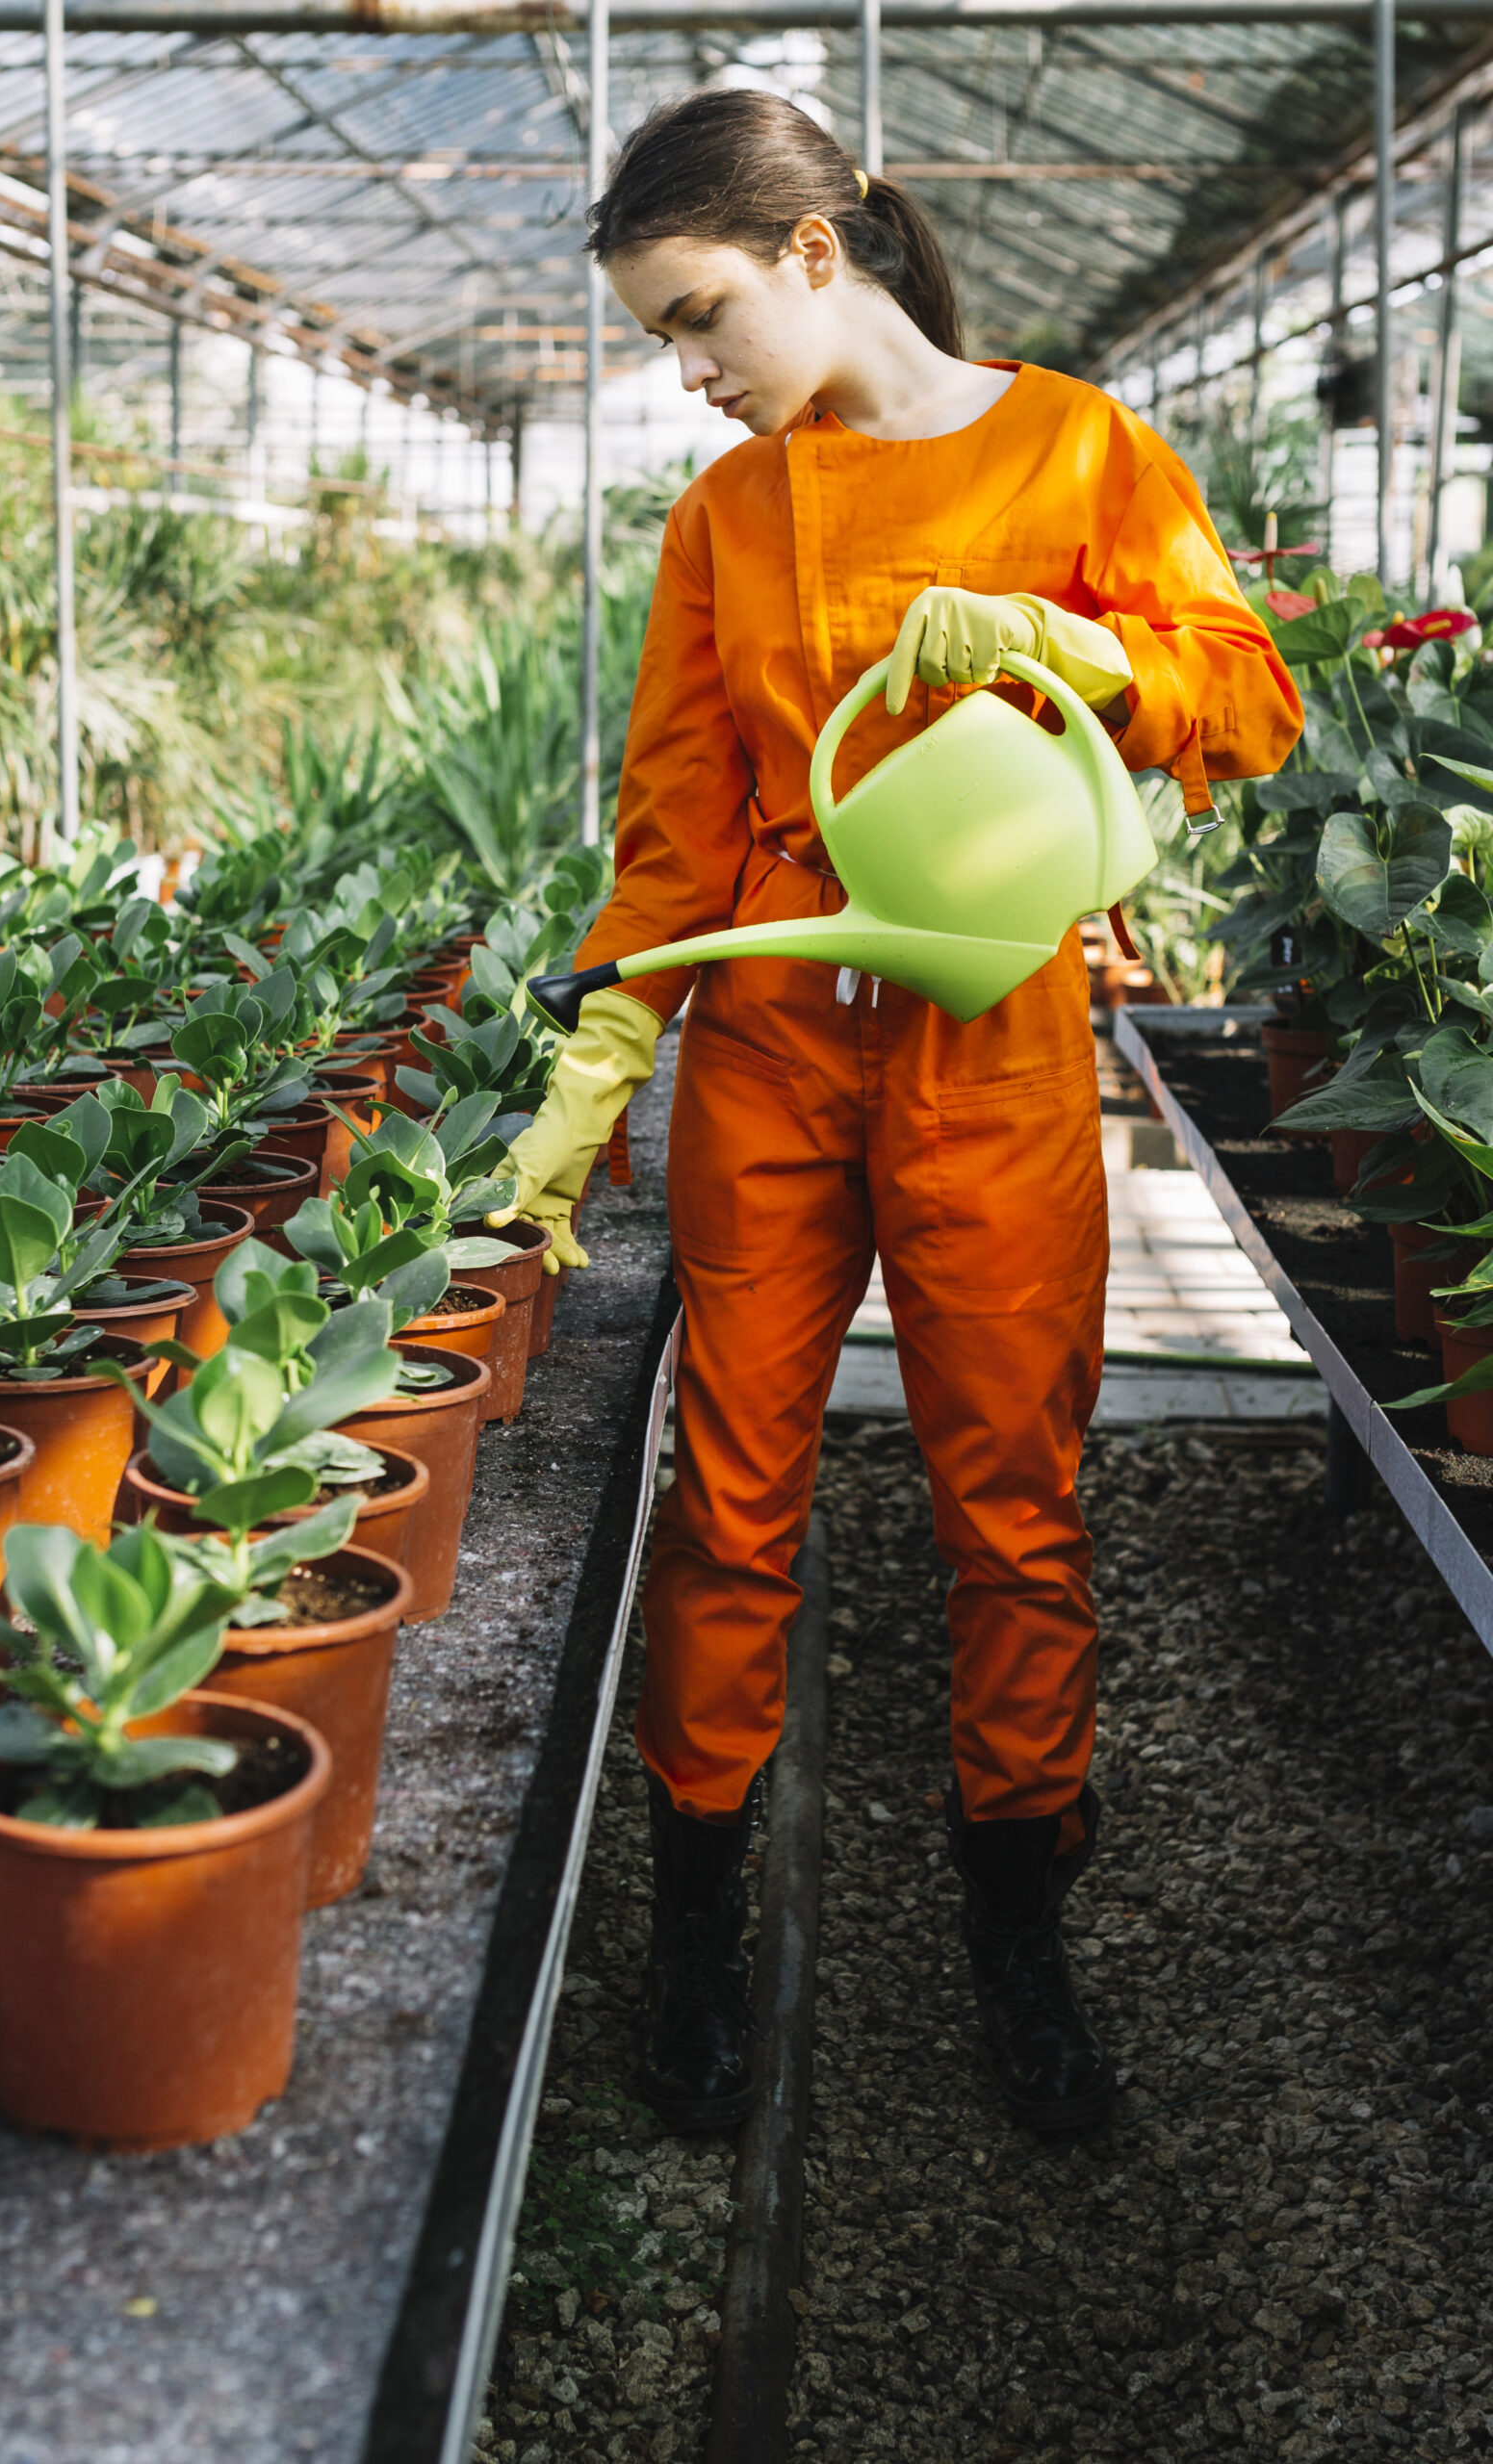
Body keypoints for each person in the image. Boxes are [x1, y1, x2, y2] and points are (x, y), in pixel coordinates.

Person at [492, 89, 1300, 2136]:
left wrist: (1076, 648)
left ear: (809, 253)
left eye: (697, 318)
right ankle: (695, 1929)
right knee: (727, 1493)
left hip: (987, 1038)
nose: (687, 372)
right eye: (660, 338)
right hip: (768, 1044)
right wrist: (601, 1059)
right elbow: (676, 826)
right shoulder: (722, 520)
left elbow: (1247, 693)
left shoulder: (1078, 449)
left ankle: (1020, 1940)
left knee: (1012, 1504)